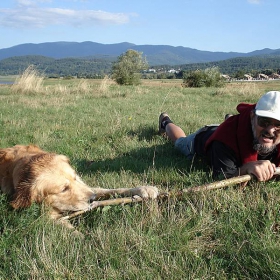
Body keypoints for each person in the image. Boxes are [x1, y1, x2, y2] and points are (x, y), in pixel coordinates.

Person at [159, 91, 280, 181]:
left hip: (236, 128)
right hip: (205, 136)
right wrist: (245, 168)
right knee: (180, 141)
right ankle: (166, 121)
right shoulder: (225, 140)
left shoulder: (261, 130)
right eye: (264, 121)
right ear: (252, 117)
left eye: (278, 125)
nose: (270, 130)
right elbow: (223, 177)